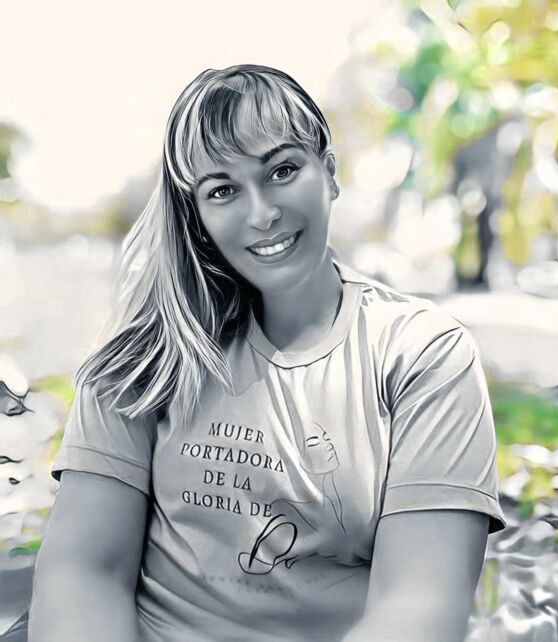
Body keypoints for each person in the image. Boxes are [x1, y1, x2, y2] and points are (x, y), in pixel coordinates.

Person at [28, 64, 507, 642]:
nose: (262, 214)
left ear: (330, 173)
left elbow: (420, 606)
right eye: (222, 190)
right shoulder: (144, 357)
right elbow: (83, 573)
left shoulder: (424, 354)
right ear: (197, 216)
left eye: (282, 171)